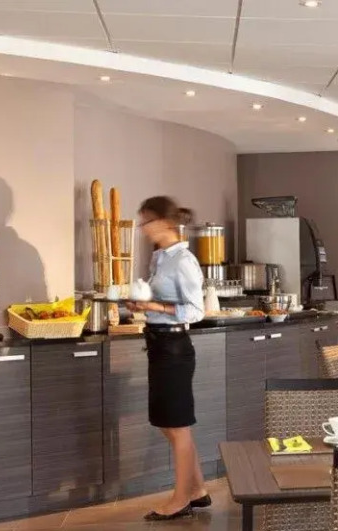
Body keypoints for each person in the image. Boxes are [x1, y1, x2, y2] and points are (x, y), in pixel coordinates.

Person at [126, 196, 208, 521]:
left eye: (146, 221)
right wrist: (141, 305)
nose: (143, 228)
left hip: (175, 348)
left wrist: (154, 307)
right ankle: (197, 489)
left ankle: (180, 499)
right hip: (159, 344)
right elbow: (159, 300)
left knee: (177, 426)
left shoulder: (183, 260)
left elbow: (196, 311)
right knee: (168, 424)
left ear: (164, 222)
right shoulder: (159, 257)